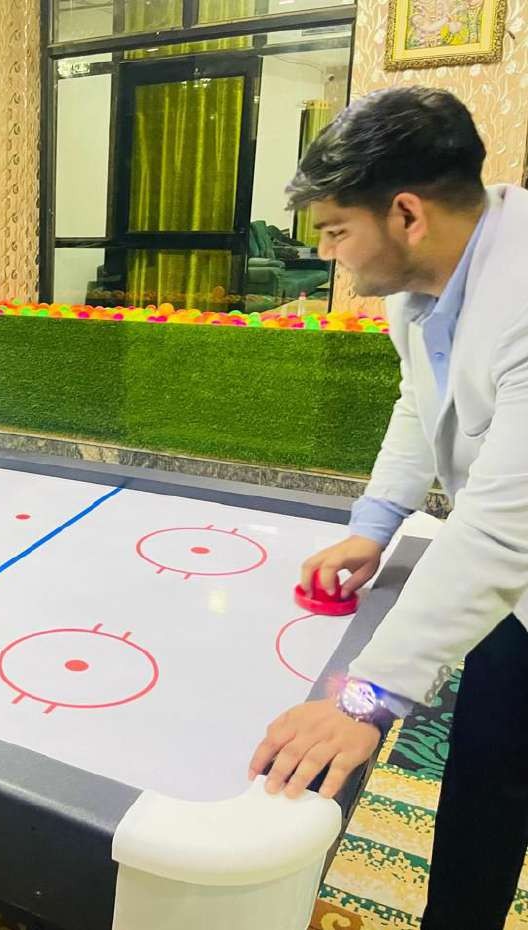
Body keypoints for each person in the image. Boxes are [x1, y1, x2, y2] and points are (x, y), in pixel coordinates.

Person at [247, 86, 528, 929]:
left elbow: (501, 527)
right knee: (488, 770)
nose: (327, 254)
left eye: (336, 231)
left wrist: (362, 701)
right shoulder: (425, 286)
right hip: (512, 594)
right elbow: (421, 404)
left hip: (510, 548)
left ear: (406, 213)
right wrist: (374, 527)